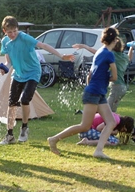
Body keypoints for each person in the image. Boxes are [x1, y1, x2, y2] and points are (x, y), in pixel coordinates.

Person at [0, 16, 74, 145]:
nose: (13, 34)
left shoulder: (24, 37)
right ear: (4, 31)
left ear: (17, 29)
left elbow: (43, 45)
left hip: (33, 72)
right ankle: (9, 135)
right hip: (18, 75)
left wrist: (61, 56)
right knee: (11, 104)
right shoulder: (5, 42)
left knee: (25, 100)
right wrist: (5, 68)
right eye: (10, 32)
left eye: (15, 31)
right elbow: (9, 61)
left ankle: (24, 128)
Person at [48, 27, 119, 159]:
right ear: (115, 40)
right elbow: (115, 77)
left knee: (110, 122)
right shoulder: (109, 55)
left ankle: (98, 151)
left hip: (97, 92)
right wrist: (107, 78)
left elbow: (90, 75)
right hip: (95, 93)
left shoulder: (100, 52)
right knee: (85, 126)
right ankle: (54, 139)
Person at [73, 37, 133, 112]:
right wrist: (131, 48)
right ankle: (87, 113)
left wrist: (85, 46)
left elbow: (98, 52)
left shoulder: (112, 54)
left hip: (117, 87)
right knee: (106, 109)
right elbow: (129, 58)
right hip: (122, 87)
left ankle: (88, 114)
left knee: (109, 111)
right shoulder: (123, 56)